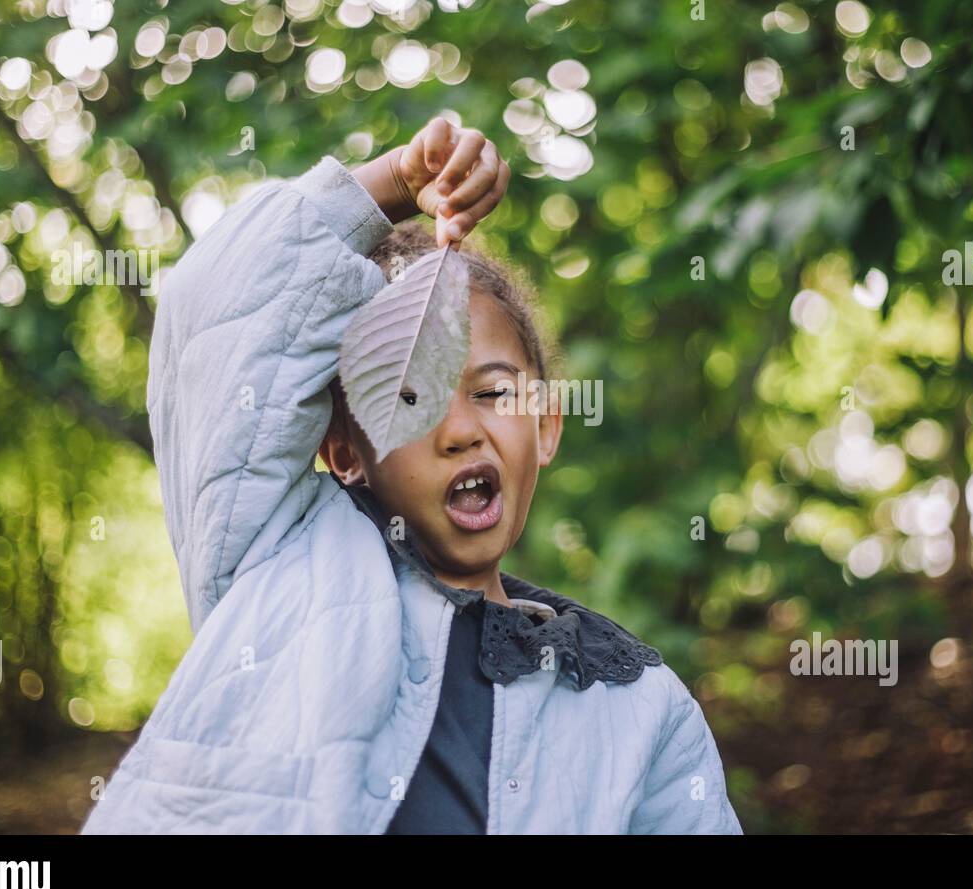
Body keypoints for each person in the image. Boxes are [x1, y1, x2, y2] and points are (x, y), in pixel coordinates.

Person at [80, 116, 743, 834]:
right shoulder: (275, 565)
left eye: (492, 394)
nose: (461, 430)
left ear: (545, 426)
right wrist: (394, 183)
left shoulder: (640, 707)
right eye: (410, 399)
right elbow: (213, 307)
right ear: (345, 453)